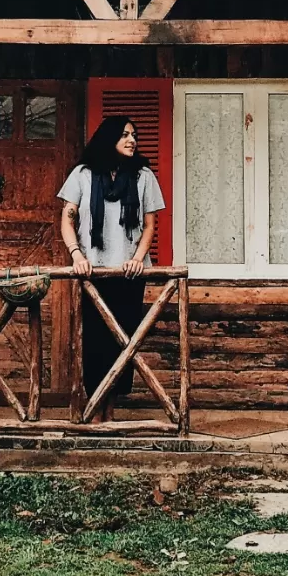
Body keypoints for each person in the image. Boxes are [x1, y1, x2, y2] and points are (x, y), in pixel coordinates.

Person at [57, 115, 166, 419]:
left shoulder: (143, 176)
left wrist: (136, 259)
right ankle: (92, 412)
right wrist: (77, 255)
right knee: (92, 341)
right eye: (125, 135)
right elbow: (67, 219)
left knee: (123, 342)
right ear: (109, 140)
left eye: (134, 135)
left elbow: (149, 226)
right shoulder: (82, 175)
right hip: (92, 272)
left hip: (129, 274)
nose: (133, 140)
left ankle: (111, 412)